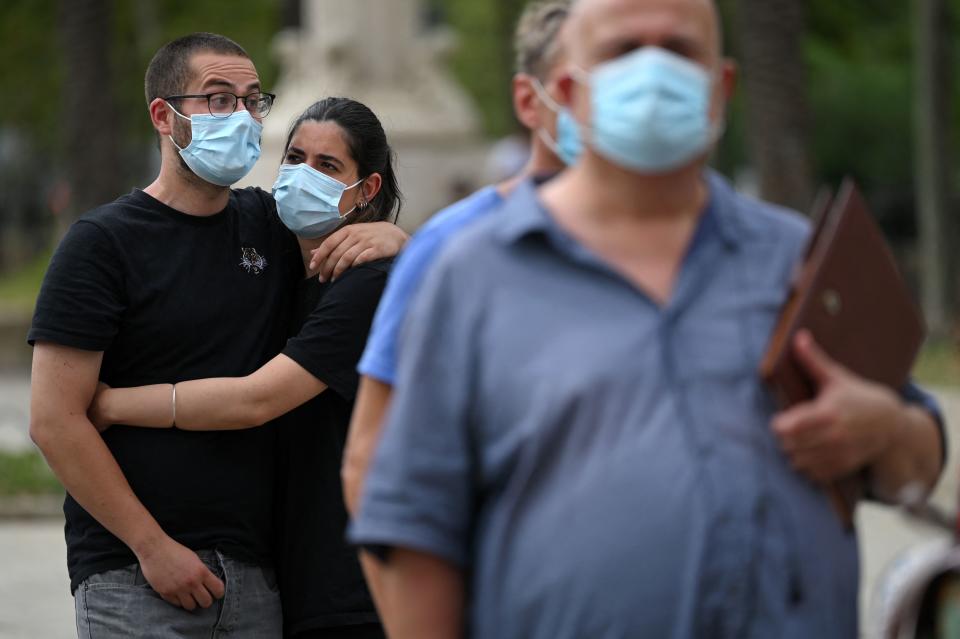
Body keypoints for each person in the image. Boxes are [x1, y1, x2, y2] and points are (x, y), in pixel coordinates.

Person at [348, 1, 947, 637]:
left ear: (721, 89)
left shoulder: (797, 260)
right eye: (625, 49)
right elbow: (416, 536)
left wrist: (887, 430)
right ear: (570, 93)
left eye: (680, 49)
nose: (654, 69)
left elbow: (921, 460)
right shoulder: (469, 277)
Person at [28, 34, 403, 638]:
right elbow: (54, 422)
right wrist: (152, 548)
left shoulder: (269, 228)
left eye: (253, 101)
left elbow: (346, 248)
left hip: (257, 579)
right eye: (218, 99)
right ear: (164, 115)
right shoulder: (102, 244)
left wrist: (396, 239)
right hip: (137, 576)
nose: (242, 117)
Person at [342, 0, 576, 518]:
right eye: (580, 82)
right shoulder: (449, 245)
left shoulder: (739, 247)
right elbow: (373, 459)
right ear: (530, 99)